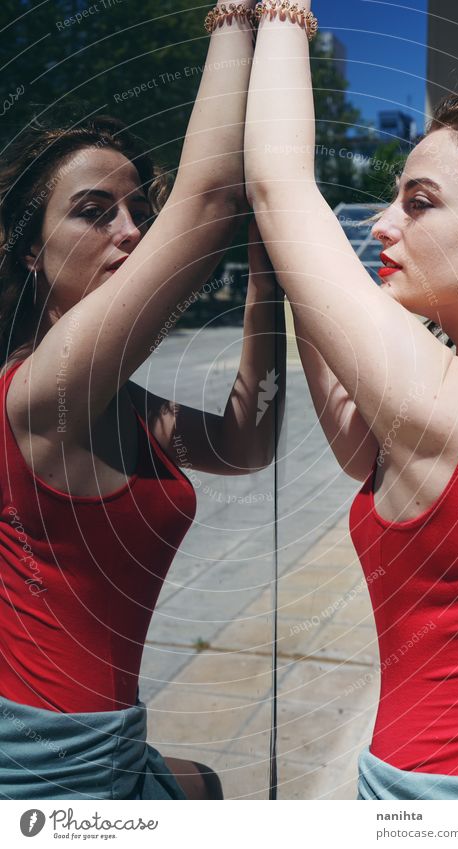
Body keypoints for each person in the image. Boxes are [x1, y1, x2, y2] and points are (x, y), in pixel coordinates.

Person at [244, 0, 458, 800]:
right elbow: (350, 434)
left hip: (436, 796)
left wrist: (278, 15)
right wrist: (294, 272)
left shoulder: (454, 411)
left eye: (419, 201)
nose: (379, 224)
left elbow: (276, 182)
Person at [0, 1, 285, 800]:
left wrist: (268, 277)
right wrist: (239, 17)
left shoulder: (117, 402)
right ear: (30, 251)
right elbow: (209, 203)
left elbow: (245, 440)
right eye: (95, 214)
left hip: (110, 744)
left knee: (207, 786)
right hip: (41, 771)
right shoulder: (39, 393)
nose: (130, 231)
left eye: (137, 211)